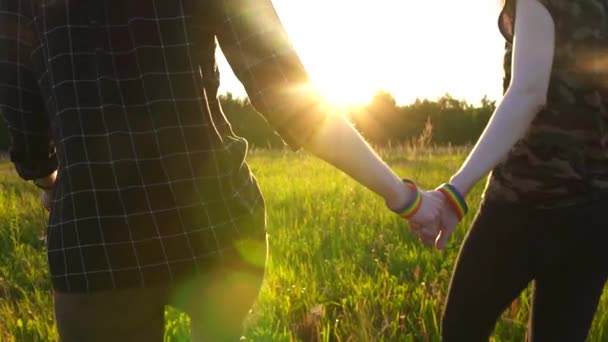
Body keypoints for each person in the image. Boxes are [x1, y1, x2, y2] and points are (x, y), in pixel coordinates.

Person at [0, 0, 443, 340]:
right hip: (220, 224)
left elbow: (22, 114)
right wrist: (404, 198)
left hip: (96, 236)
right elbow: (290, 99)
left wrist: (49, 179)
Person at [421, 0, 608, 340]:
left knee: (462, 329)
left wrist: (456, 189)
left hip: (525, 201)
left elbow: (528, 92)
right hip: (597, 213)